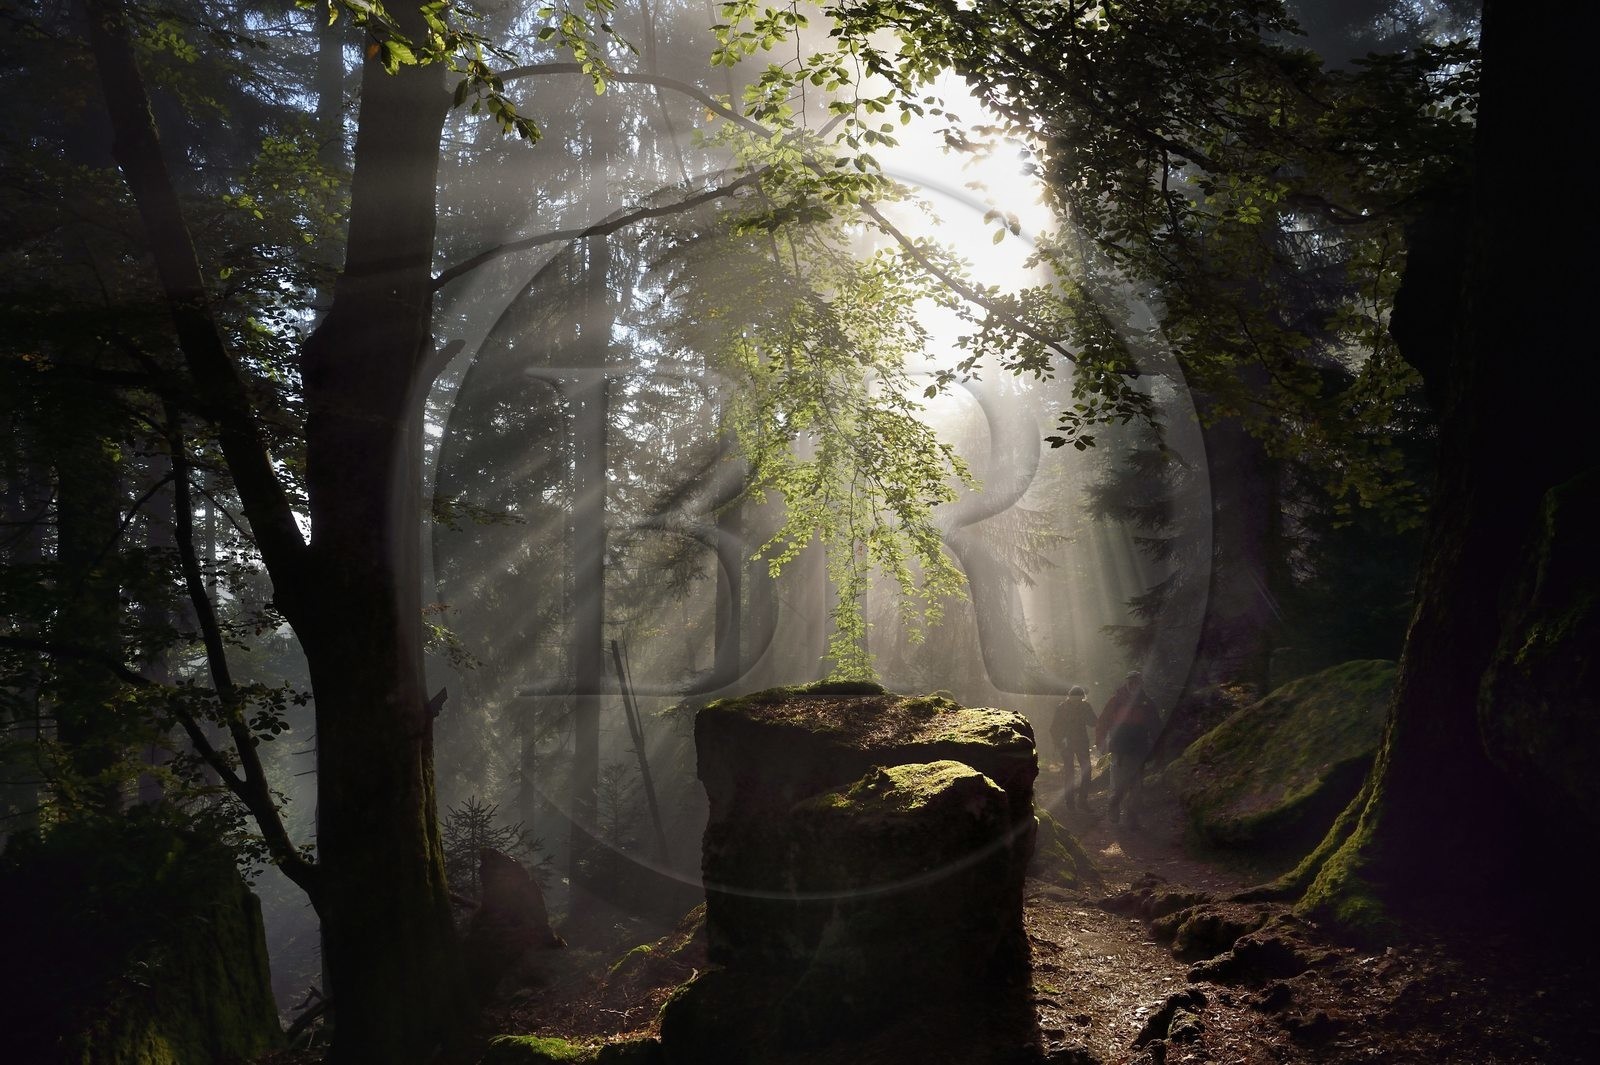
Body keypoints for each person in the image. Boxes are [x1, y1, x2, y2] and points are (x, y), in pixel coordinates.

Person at [1094, 669, 1162, 827]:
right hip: (1119, 750)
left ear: (1141, 684)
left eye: (1136, 682)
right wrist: (1101, 742)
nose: (1133, 684)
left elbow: (1156, 728)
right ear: (1127, 683)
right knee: (1118, 786)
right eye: (1131, 681)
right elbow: (1103, 723)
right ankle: (1114, 809)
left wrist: (1158, 750)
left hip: (1139, 751)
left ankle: (1131, 818)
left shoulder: (1147, 703)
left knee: (1136, 787)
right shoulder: (1116, 701)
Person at [1050, 686, 1097, 810]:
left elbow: (1093, 722)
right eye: (1075, 699)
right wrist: (1060, 742)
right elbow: (1054, 728)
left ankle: (1081, 801)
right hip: (1068, 745)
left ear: (1082, 698)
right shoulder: (1062, 708)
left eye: (1079, 699)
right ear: (1070, 697)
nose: (1077, 701)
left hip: (1080, 743)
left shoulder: (1084, 706)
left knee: (1085, 772)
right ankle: (1071, 802)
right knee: (1070, 773)